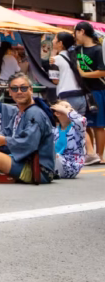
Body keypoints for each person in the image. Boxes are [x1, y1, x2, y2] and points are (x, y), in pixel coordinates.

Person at [0, 73, 56, 184]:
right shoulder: (19, 113)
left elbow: (29, 143)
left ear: (31, 90)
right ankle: (0, 174)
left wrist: (3, 141)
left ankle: (4, 175)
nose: (19, 92)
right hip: (23, 162)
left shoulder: (35, 113)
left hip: (38, 170)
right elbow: (7, 133)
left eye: (23, 88)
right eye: (14, 88)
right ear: (10, 92)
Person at [71, 21, 105, 161]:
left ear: (82, 31)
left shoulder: (98, 50)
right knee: (86, 124)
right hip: (82, 91)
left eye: (75, 32)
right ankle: (91, 154)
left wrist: (84, 74)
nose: (75, 36)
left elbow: (102, 71)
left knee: (99, 124)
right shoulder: (76, 50)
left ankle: (100, 155)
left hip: (97, 90)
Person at [50, 31, 89, 117]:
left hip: (67, 97)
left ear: (60, 43)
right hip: (81, 97)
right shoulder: (76, 57)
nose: (52, 41)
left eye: (55, 38)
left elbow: (55, 81)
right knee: (80, 127)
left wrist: (53, 54)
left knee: (67, 127)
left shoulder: (55, 59)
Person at [51, 98, 88, 179]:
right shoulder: (55, 130)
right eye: (66, 107)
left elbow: (82, 120)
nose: (70, 109)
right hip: (57, 162)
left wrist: (67, 111)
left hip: (72, 166)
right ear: (57, 113)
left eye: (71, 108)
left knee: (55, 156)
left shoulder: (77, 128)